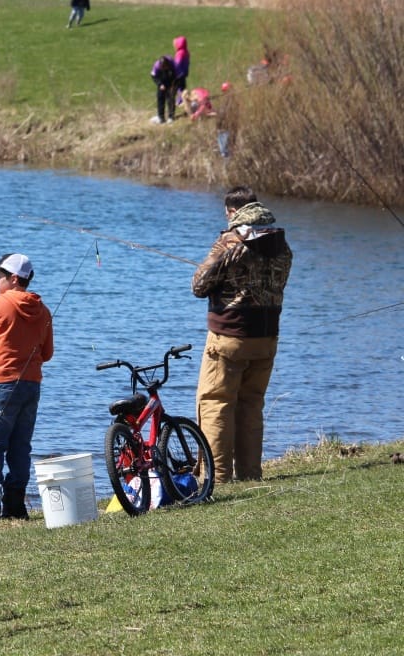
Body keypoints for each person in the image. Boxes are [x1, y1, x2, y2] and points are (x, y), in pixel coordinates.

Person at [191, 186, 292, 485]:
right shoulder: (282, 245)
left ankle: (218, 480)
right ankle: (250, 475)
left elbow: (198, 285)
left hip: (230, 336)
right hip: (267, 337)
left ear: (233, 212)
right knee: (251, 404)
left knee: (216, 403)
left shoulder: (230, 241)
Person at [0, 253, 54, 519]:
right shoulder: (42, 310)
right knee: (21, 445)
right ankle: (16, 505)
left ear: (14, 279)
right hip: (31, 385)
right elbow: (47, 353)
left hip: (0, 384)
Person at [150, 55, 176, 124]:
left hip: (170, 80)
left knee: (170, 98)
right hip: (161, 80)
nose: (164, 68)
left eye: (165, 67)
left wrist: (172, 84)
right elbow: (154, 76)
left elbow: (175, 74)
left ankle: (171, 116)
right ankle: (161, 117)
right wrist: (160, 84)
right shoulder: (157, 66)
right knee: (160, 98)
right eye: (163, 67)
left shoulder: (172, 63)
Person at [215, 81, 239, 157]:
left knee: (225, 153)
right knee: (230, 150)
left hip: (225, 129)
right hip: (232, 129)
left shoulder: (227, 102)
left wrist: (218, 126)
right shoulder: (235, 102)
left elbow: (222, 115)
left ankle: (227, 167)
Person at [172, 35, 189, 107]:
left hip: (179, 73)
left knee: (178, 87)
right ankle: (182, 99)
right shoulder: (186, 51)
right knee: (182, 86)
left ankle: (180, 101)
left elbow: (177, 64)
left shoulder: (179, 53)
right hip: (184, 72)